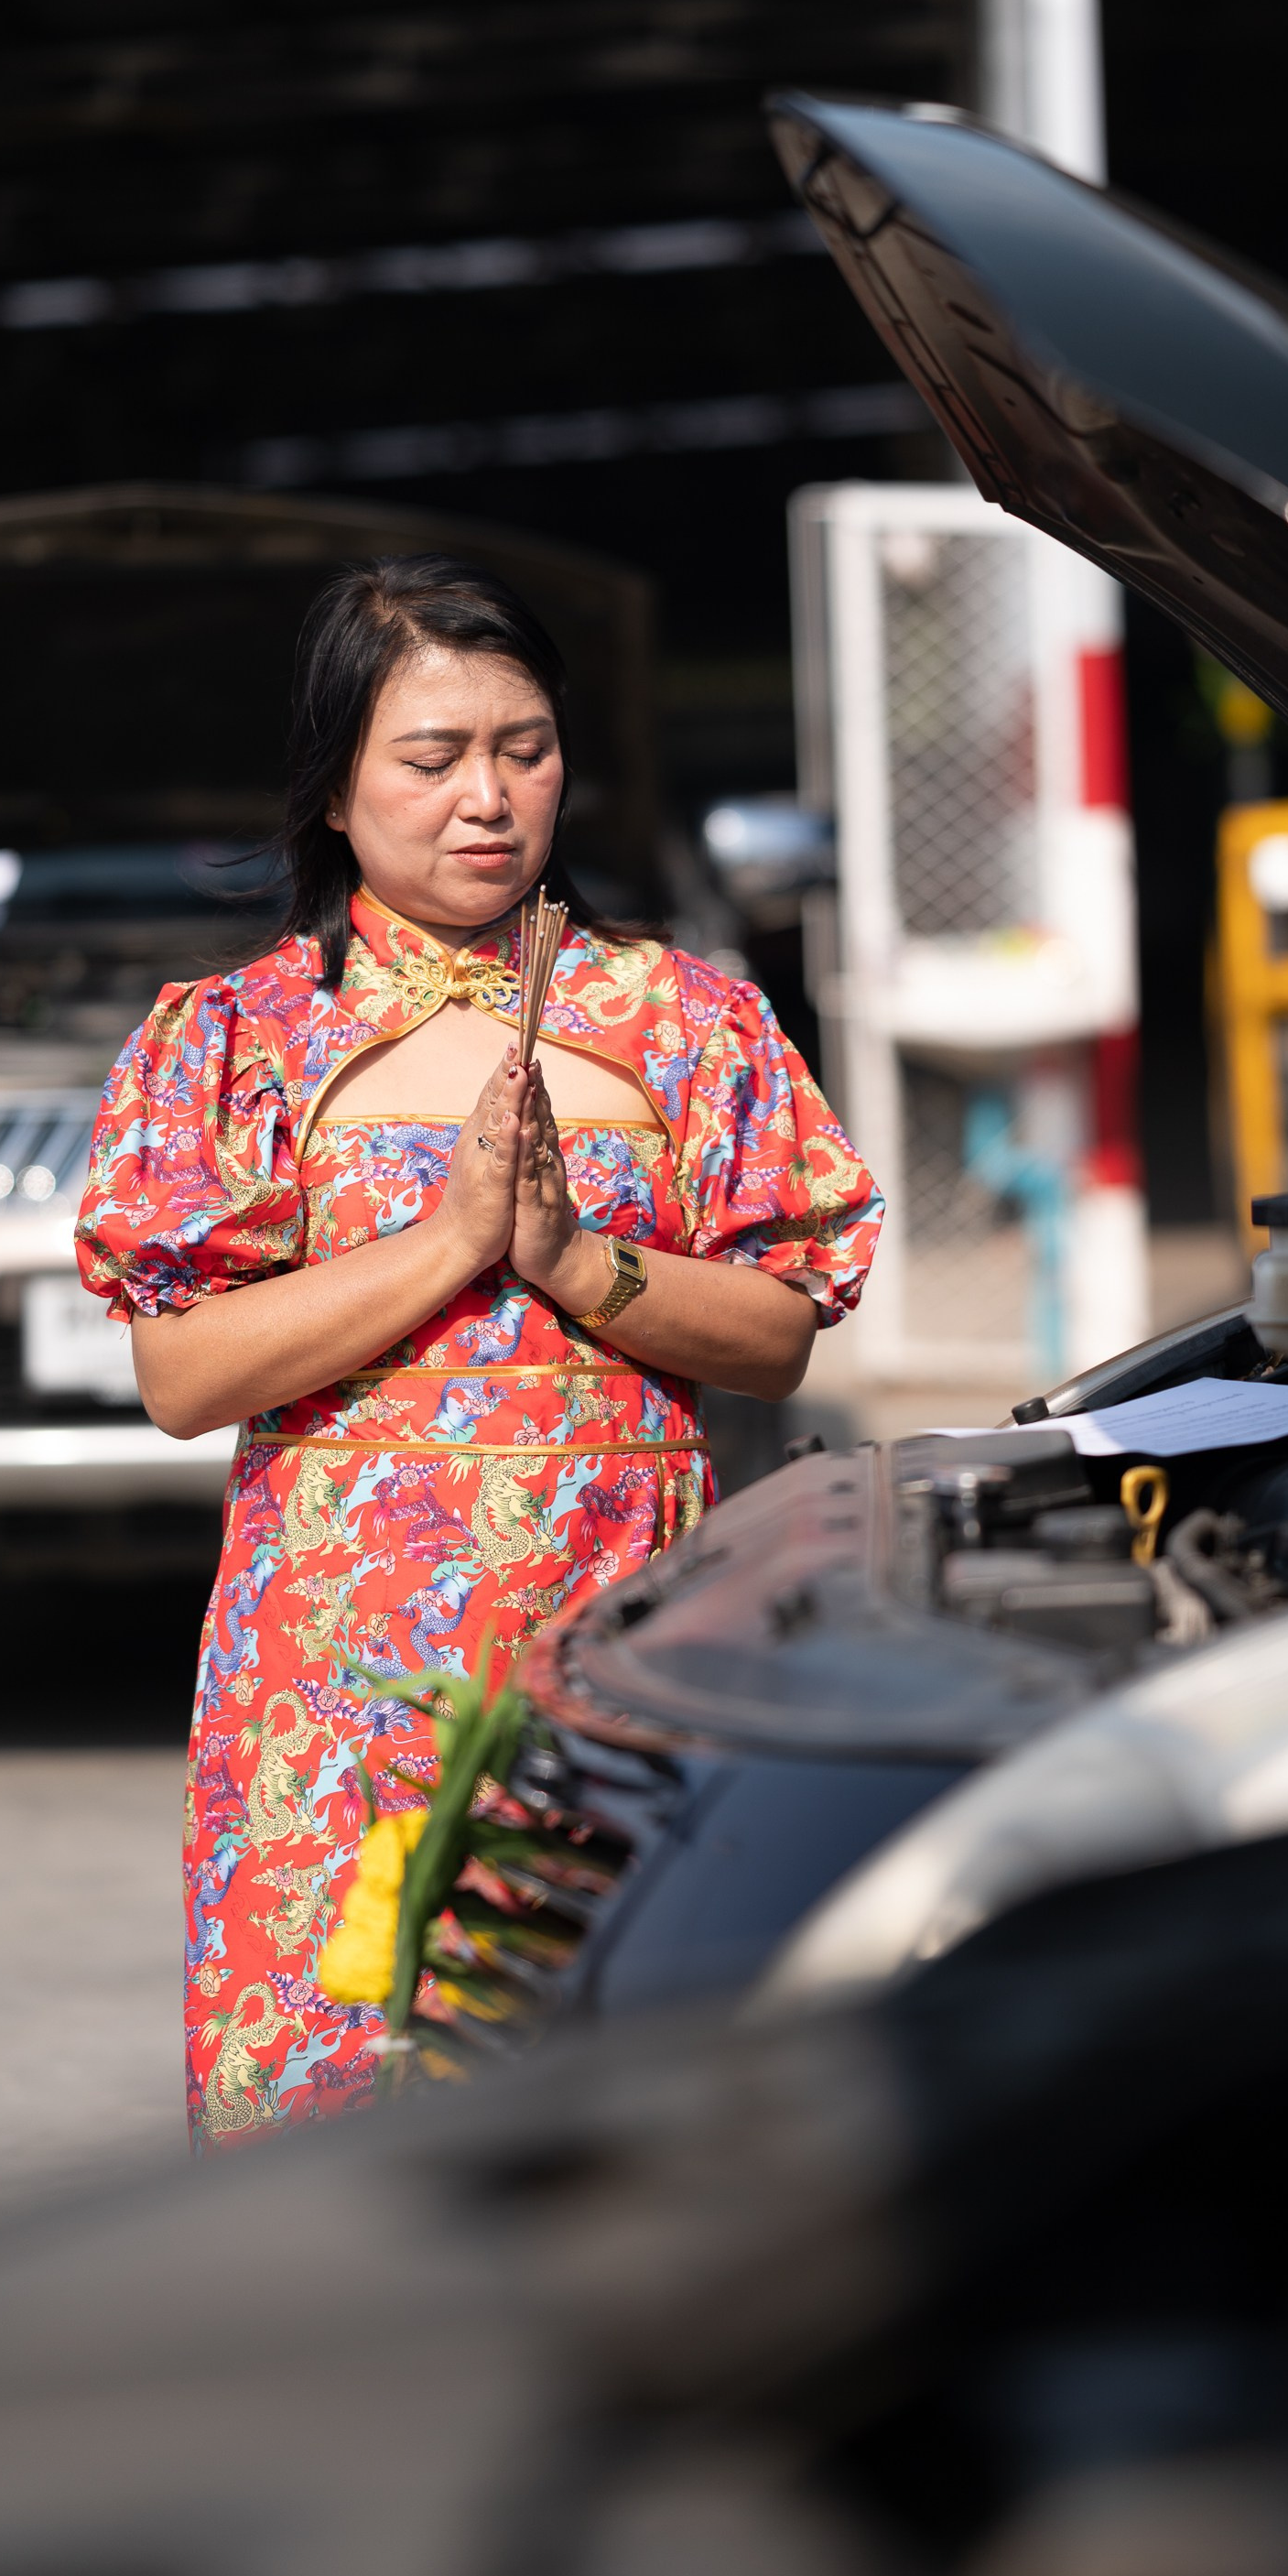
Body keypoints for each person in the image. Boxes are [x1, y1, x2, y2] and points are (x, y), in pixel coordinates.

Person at [76, 558, 882, 2145]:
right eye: (431, 758)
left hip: (616, 1654)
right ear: (333, 789)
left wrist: (577, 1261)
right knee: (331, 2119)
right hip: (336, 1693)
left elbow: (781, 1333)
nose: (488, 798)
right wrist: (444, 1246)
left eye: (524, 747)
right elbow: (182, 1376)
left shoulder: (688, 1019)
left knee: (615, 2101)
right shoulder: (238, 1038)